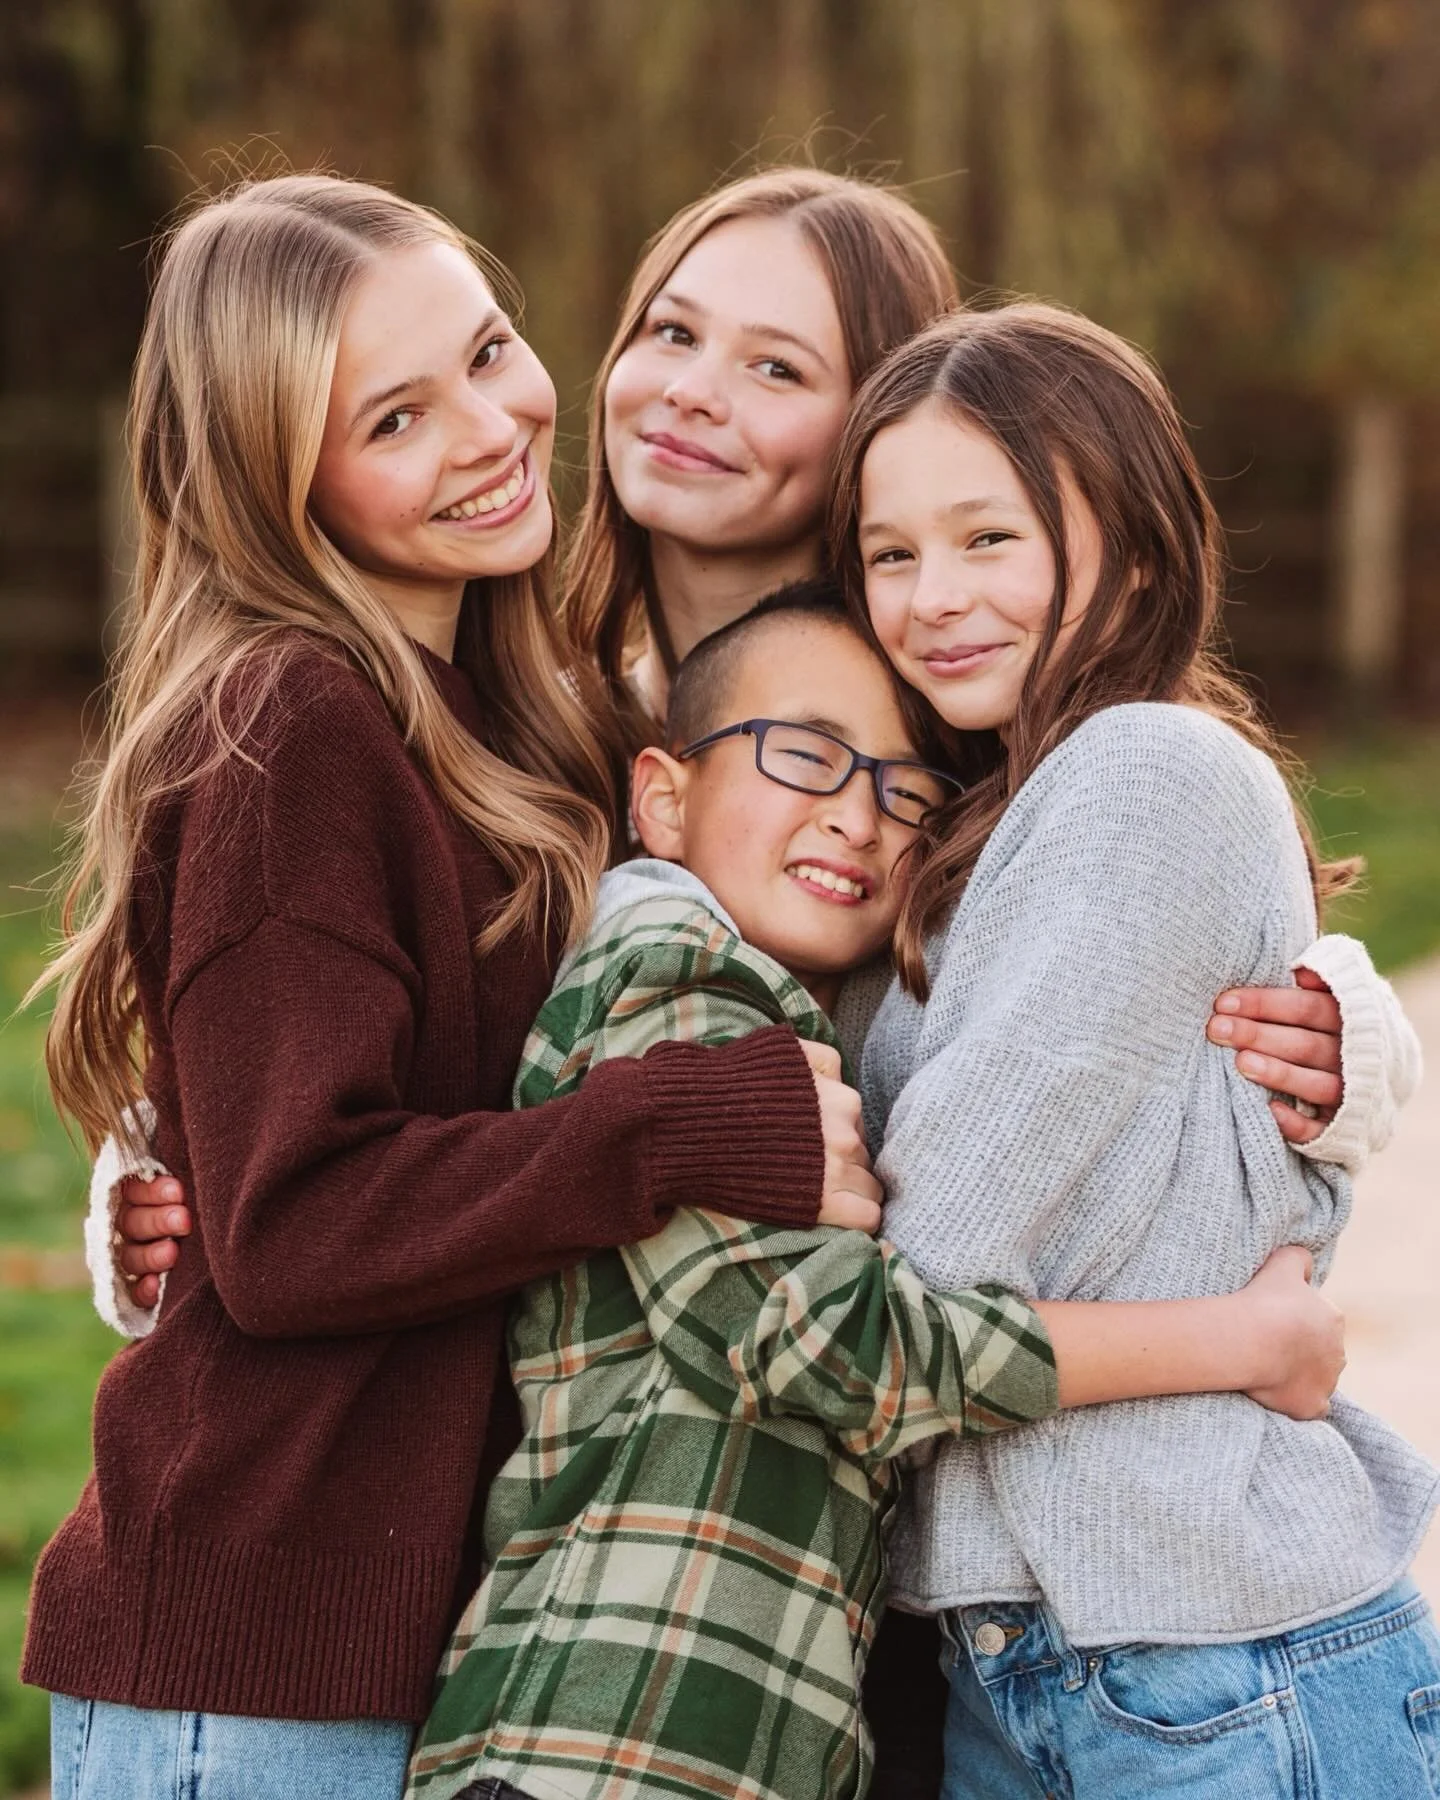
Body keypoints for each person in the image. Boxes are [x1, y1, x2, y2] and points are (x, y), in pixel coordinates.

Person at [97, 166, 1415, 1797]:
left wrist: (1351, 1032)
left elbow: (1172, 912)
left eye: (778, 367)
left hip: (876, 1605)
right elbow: (330, 1065)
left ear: (878, 426)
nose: (693, 393)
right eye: (670, 330)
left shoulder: (960, 719)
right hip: (571, 1570)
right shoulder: (544, 723)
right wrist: (153, 1182)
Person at [24, 174, 887, 1800]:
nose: (491, 430)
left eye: (489, 354)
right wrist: (687, 1130)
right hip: (262, 1658)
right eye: (397, 420)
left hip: (427, 1642)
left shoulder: (509, 714)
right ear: (283, 487)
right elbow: (292, 1223)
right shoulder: (295, 723)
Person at [406, 586, 1347, 1800]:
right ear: (663, 798)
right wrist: (1238, 1341)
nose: (856, 816)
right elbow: (847, 1353)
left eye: (907, 792)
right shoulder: (669, 991)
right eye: (802, 755)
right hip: (599, 1748)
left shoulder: (788, 1015)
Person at [830, 302, 1440, 1796]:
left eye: (991, 538)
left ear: (1145, 550)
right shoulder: (983, 825)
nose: (931, 597)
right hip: (1030, 1664)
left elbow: (937, 1254)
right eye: (890, 553)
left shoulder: (1147, 773)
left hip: (1213, 1656)